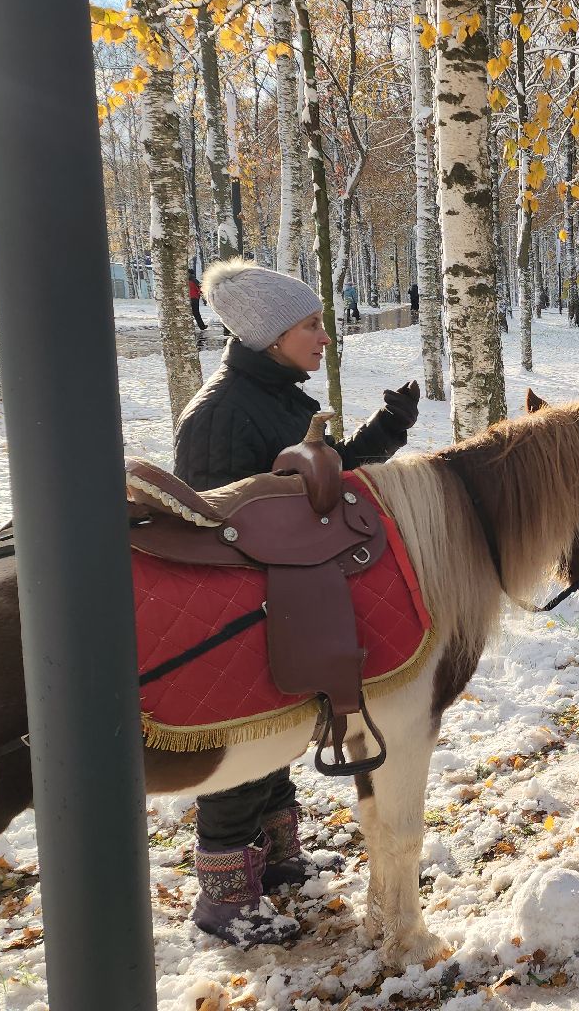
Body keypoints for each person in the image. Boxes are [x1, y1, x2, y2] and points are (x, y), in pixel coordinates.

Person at [175, 260, 420, 945]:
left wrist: (388, 428)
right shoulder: (222, 413)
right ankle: (225, 899)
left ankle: (278, 860)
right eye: (311, 325)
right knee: (245, 741)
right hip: (237, 608)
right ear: (271, 335)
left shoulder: (276, 396)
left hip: (281, 595)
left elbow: (327, 472)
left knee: (280, 725)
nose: (324, 336)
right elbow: (219, 523)